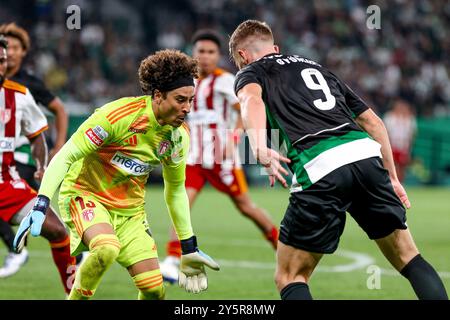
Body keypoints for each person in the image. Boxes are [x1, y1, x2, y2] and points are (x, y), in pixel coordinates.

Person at [229, 20, 448, 300]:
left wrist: (258, 147)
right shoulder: (317, 68)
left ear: (243, 56)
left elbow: (252, 102)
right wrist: (392, 177)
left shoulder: (252, 71)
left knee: (290, 276)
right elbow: (373, 121)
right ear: (275, 48)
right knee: (408, 256)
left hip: (321, 167)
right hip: (365, 157)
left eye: (238, 61)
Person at [13, 49, 219, 300]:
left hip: (130, 212)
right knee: (106, 249)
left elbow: (175, 190)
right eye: (180, 100)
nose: (187, 108)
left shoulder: (178, 138)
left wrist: (188, 246)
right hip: (86, 195)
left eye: (190, 100)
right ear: (157, 96)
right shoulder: (116, 117)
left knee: (155, 290)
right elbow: (66, 156)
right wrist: (42, 202)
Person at [160, 30, 278, 283]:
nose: (205, 57)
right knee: (182, 203)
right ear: (193, 54)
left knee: (246, 207)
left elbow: (244, 111)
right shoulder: (186, 82)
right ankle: (171, 259)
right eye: (201, 51)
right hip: (193, 157)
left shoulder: (225, 81)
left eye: (211, 52)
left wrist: (234, 139)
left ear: (218, 56)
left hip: (221, 159)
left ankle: (280, 245)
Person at [0, 35, 75, 294]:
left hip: (9, 182)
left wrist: (41, 165)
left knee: (58, 231)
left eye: (3, 61)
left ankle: (73, 293)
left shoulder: (20, 94)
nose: (2, 65)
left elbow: (37, 136)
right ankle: (14, 249)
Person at [383, 99, 417, 182]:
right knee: (392, 165)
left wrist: (408, 147)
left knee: (402, 166)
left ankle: (400, 183)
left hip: (403, 146)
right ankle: (392, 182)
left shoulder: (409, 119)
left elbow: (412, 134)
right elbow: (386, 131)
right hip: (392, 145)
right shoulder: (389, 117)